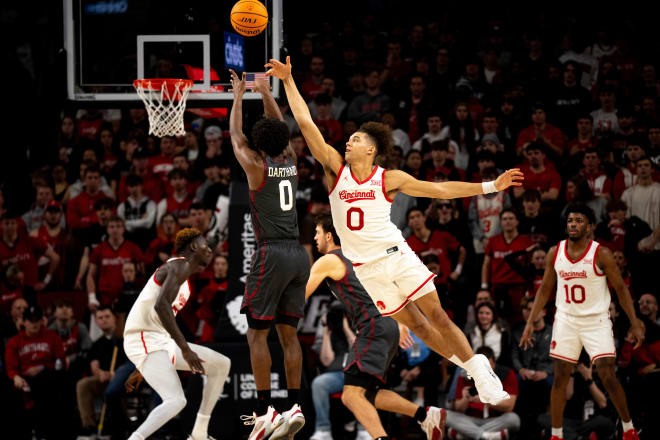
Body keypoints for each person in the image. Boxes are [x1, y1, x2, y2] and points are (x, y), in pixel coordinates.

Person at [269, 56, 522, 405]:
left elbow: (441, 189)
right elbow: (306, 122)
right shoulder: (335, 170)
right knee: (417, 327)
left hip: (395, 256)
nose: (348, 142)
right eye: (349, 138)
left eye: (356, 139)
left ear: (371, 149)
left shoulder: (388, 178)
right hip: (366, 271)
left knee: (436, 316)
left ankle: (480, 371)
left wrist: (491, 185)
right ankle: (469, 366)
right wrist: (288, 81)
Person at [306, 214, 446, 440]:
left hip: (373, 326)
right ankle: (425, 414)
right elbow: (389, 285)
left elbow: (301, 292)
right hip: (387, 323)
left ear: (329, 235)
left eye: (317, 233)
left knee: (350, 396)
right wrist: (400, 322)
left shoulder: (330, 259)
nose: (314, 238)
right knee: (366, 394)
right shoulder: (360, 256)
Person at [229, 70, 310, 439]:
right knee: (289, 336)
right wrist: (265, 93)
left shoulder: (256, 166)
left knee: (256, 336)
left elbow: (235, 136)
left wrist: (238, 96)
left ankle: (264, 412)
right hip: (298, 254)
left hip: (272, 253)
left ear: (259, 146)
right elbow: (281, 127)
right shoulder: (290, 160)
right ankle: (295, 406)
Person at [519, 203, 645, 440]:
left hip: (596, 320)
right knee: (560, 377)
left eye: (578, 221)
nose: (573, 224)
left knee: (607, 373)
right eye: (570, 221)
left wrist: (634, 321)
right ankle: (556, 434)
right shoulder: (555, 252)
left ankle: (628, 428)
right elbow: (545, 289)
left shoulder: (602, 253)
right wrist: (529, 323)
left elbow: (620, 289)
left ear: (589, 226)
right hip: (566, 320)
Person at [122, 228, 230, 440]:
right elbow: (160, 306)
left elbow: (157, 315)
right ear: (192, 247)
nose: (209, 251)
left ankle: (199, 432)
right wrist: (185, 349)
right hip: (143, 338)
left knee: (221, 364)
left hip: (157, 341)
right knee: (176, 400)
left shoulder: (185, 277)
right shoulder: (179, 264)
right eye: (205, 246)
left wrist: (141, 367)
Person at [445, 346, 520, 440]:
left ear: (494, 362)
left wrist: (487, 401)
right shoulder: (465, 375)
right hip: (470, 419)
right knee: (446, 415)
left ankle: (466, 435)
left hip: (495, 419)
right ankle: (486, 436)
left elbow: (509, 406)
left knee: (513, 419)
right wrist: (466, 399)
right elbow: (458, 409)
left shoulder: (507, 374)